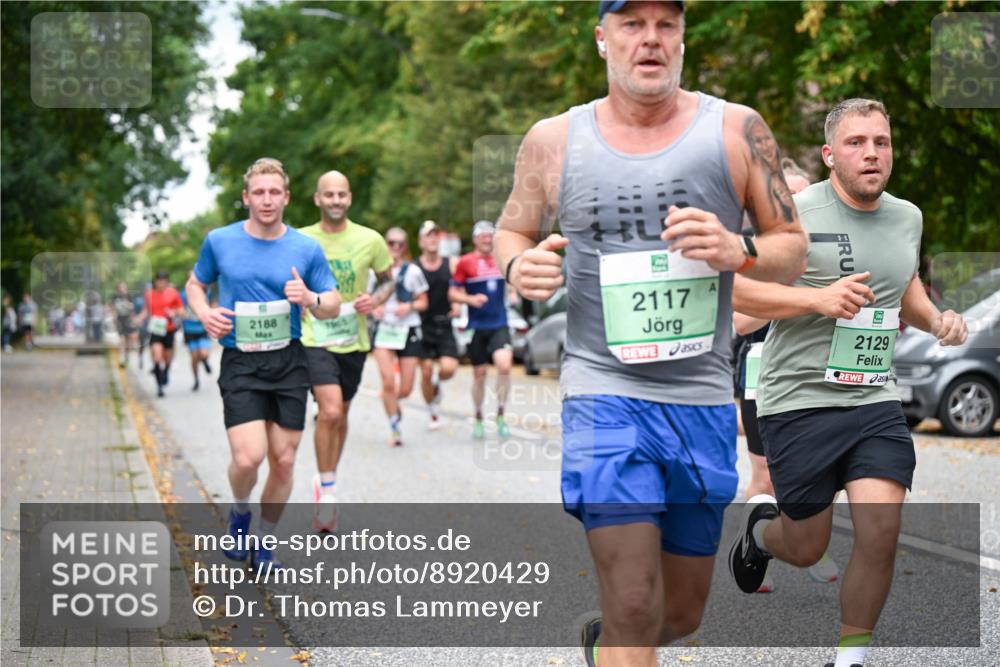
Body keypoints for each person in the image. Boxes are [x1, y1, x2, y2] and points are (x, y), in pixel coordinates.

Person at [493, 2, 808, 665]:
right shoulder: (554, 139)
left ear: (683, 39)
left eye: (666, 24)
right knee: (635, 602)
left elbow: (792, 247)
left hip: (698, 400)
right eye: (633, 24)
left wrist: (736, 248)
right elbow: (511, 231)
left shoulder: (737, 130)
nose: (650, 40)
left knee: (680, 612)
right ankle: (620, 632)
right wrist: (520, 264)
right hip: (602, 393)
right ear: (602, 37)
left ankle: (604, 642)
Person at [728, 99, 968, 667]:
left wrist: (937, 319)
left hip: (872, 396)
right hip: (798, 399)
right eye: (857, 143)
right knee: (806, 546)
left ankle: (850, 658)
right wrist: (816, 299)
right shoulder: (793, 214)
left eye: (881, 142)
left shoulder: (908, 216)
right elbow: (735, 293)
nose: (872, 153)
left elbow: (903, 281)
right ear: (830, 155)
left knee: (880, 531)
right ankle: (761, 535)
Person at [186, 157, 340, 570]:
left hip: (289, 360)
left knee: (285, 460)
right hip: (241, 362)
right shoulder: (220, 241)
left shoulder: (306, 248)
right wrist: (204, 312)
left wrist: (309, 298)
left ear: (286, 198)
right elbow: (195, 284)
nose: (267, 200)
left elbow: (332, 303)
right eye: (259, 192)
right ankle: (240, 512)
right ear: (246, 197)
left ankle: (265, 540)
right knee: (248, 458)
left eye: (275, 192)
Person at [731, 159, 839, 593]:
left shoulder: (829, 247)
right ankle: (758, 554)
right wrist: (801, 298)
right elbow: (738, 322)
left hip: (817, 372)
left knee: (827, 468)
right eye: (789, 199)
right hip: (762, 368)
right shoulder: (755, 251)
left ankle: (807, 536)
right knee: (767, 476)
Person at [299, 170, 393, 531]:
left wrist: (376, 298)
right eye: (329, 195)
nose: (335, 201)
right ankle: (328, 489)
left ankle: (327, 477)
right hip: (314, 336)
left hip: (353, 339)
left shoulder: (370, 239)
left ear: (349, 198)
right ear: (317, 199)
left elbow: (388, 281)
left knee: (341, 415)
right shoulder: (302, 239)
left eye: (341, 195)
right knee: (331, 410)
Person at [450, 221, 514, 440]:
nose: (487, 240)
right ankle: (478, 416)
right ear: (476, 239)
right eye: (483, 236)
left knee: (504, 366)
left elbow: (513, 280)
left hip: (499, 323)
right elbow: (453, 293)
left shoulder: (502, 259)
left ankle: (501, 414)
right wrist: (469, 299)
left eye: (490, 236)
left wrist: (513, 292)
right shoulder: (465, 262)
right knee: (480, 373)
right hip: (476, 326)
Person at [371, 227, 429, 447]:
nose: (395, 247)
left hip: (408, 330)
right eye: (391, 243)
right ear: (384, 245)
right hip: (384, 330)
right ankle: (395, 427)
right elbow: (366, 298)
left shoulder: (412, 271)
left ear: (405, 247)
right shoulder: (373, 271)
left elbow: (424, 302)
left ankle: (393, 400)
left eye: (400, 244)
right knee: (387, 381)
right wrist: (372, 308)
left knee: (404, 388)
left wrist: (409, 307)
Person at [416, 220, 461, 431]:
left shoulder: (451, 263)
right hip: (421, 325)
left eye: (435, 235)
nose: (432, 239)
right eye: (428, 235)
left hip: (444, 324)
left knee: (449, 369)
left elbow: (460, 286)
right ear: (420, 241)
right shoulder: (415, 267)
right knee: (425, 371)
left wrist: (459, 303)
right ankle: (433, 411)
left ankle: (437, 382)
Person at [141, 271, 183, 398]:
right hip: (155, 329)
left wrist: (173, 312)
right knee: (157, 356)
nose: (161, 283)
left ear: (167, 282)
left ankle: (166, 371)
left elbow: (181, 310)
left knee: (167, 358)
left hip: (169, 329)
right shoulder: (149, 294)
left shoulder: (173, 293)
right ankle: (159, 386)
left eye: (164, 281)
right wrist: (138, 319)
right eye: (159, 281)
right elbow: (146, 310)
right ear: (155, 282)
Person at [179, 284, 213, 391]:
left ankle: (204, 361)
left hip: (203, 328)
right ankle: (196, 379)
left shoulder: (208, 292)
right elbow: (180, 309)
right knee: (194, 356)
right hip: (189, 329)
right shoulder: (184, 294)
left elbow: (211, 305)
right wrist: (186, 314)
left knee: (204, 353)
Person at [112, 282, 140, 368]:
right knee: (121, 339)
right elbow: (113, 309)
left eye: (124, 288)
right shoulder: (115, 298)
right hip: (120, 320)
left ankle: (127, 358)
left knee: (128, 340)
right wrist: (114, 319)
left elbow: (133, 308)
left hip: (128, 319)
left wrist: (127, 303)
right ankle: (121, 358)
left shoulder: (129, 297)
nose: (122, 290)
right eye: (121, 288)